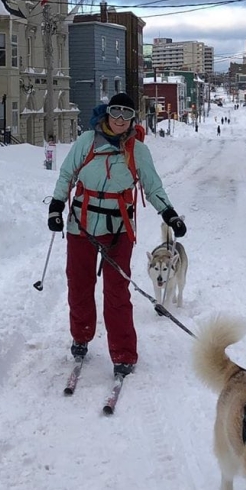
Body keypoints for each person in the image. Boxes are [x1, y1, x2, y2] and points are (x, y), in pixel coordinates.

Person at [47, 93, 186, 378]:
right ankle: (81, 336)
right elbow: (66, 174)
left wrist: (169, 213)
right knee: (79, 285)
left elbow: (153, 187)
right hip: (81, 225)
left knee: (117, 292)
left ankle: (123, 352)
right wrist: (56, 206)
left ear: (133, 118)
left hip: (118, 229)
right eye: (115, 112)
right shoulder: (86, 142)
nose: (120, 119)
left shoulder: (138, 151)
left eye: (126, 113)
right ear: (106, 113)